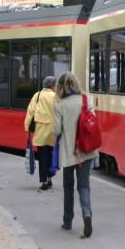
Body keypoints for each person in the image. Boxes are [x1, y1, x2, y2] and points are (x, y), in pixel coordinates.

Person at [53, 72, 99, 238]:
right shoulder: (87, 100)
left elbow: (56, 130)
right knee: (84, 186)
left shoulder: (60, 105)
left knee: (68, 187)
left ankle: (67, 220)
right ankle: (87, 214)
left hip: (69, 152)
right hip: (86, 150)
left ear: (61, 87)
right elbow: (92, 121)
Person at [24, 76, 58, 191]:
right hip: (53, 130)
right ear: (52, 85)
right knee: (51, 155)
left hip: (40, 130)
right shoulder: (56, 96)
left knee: (42, 157)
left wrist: (26, 128)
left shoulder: (37, 95)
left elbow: (30, 111)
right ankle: (50, 179)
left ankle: (44, 182)